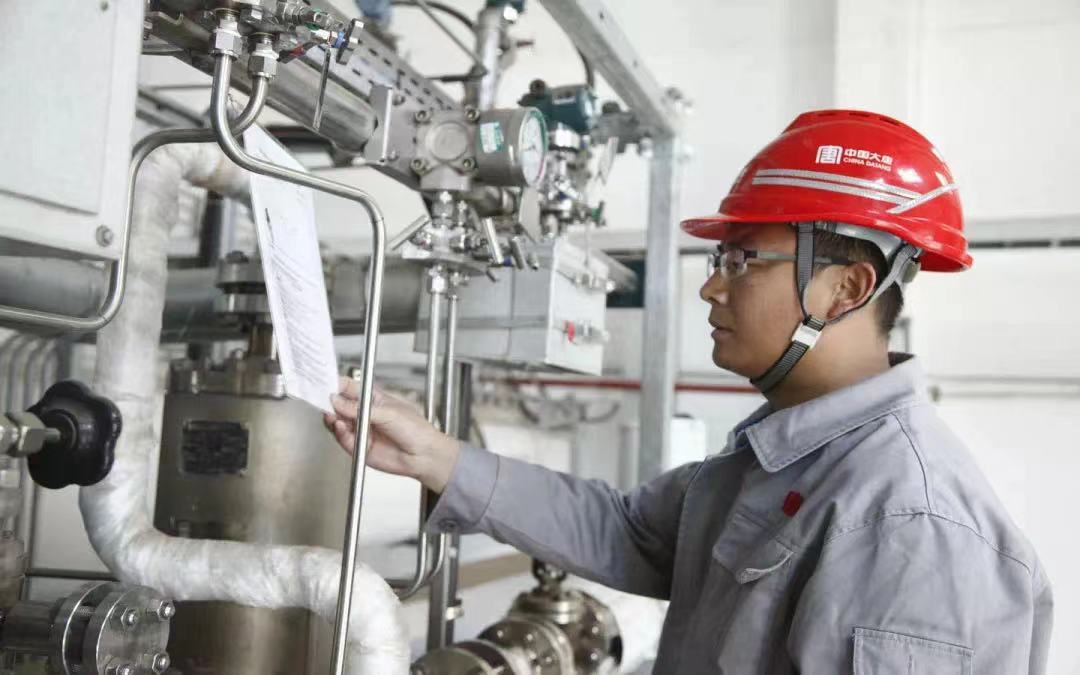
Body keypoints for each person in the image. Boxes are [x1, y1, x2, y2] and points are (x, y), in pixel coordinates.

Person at [324, 109, 1052, 673]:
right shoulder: (783, 454)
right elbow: (627, 532)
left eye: (742, 260)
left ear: (845, 288)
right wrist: (438, 459)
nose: (712, 287)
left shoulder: (907, 523)